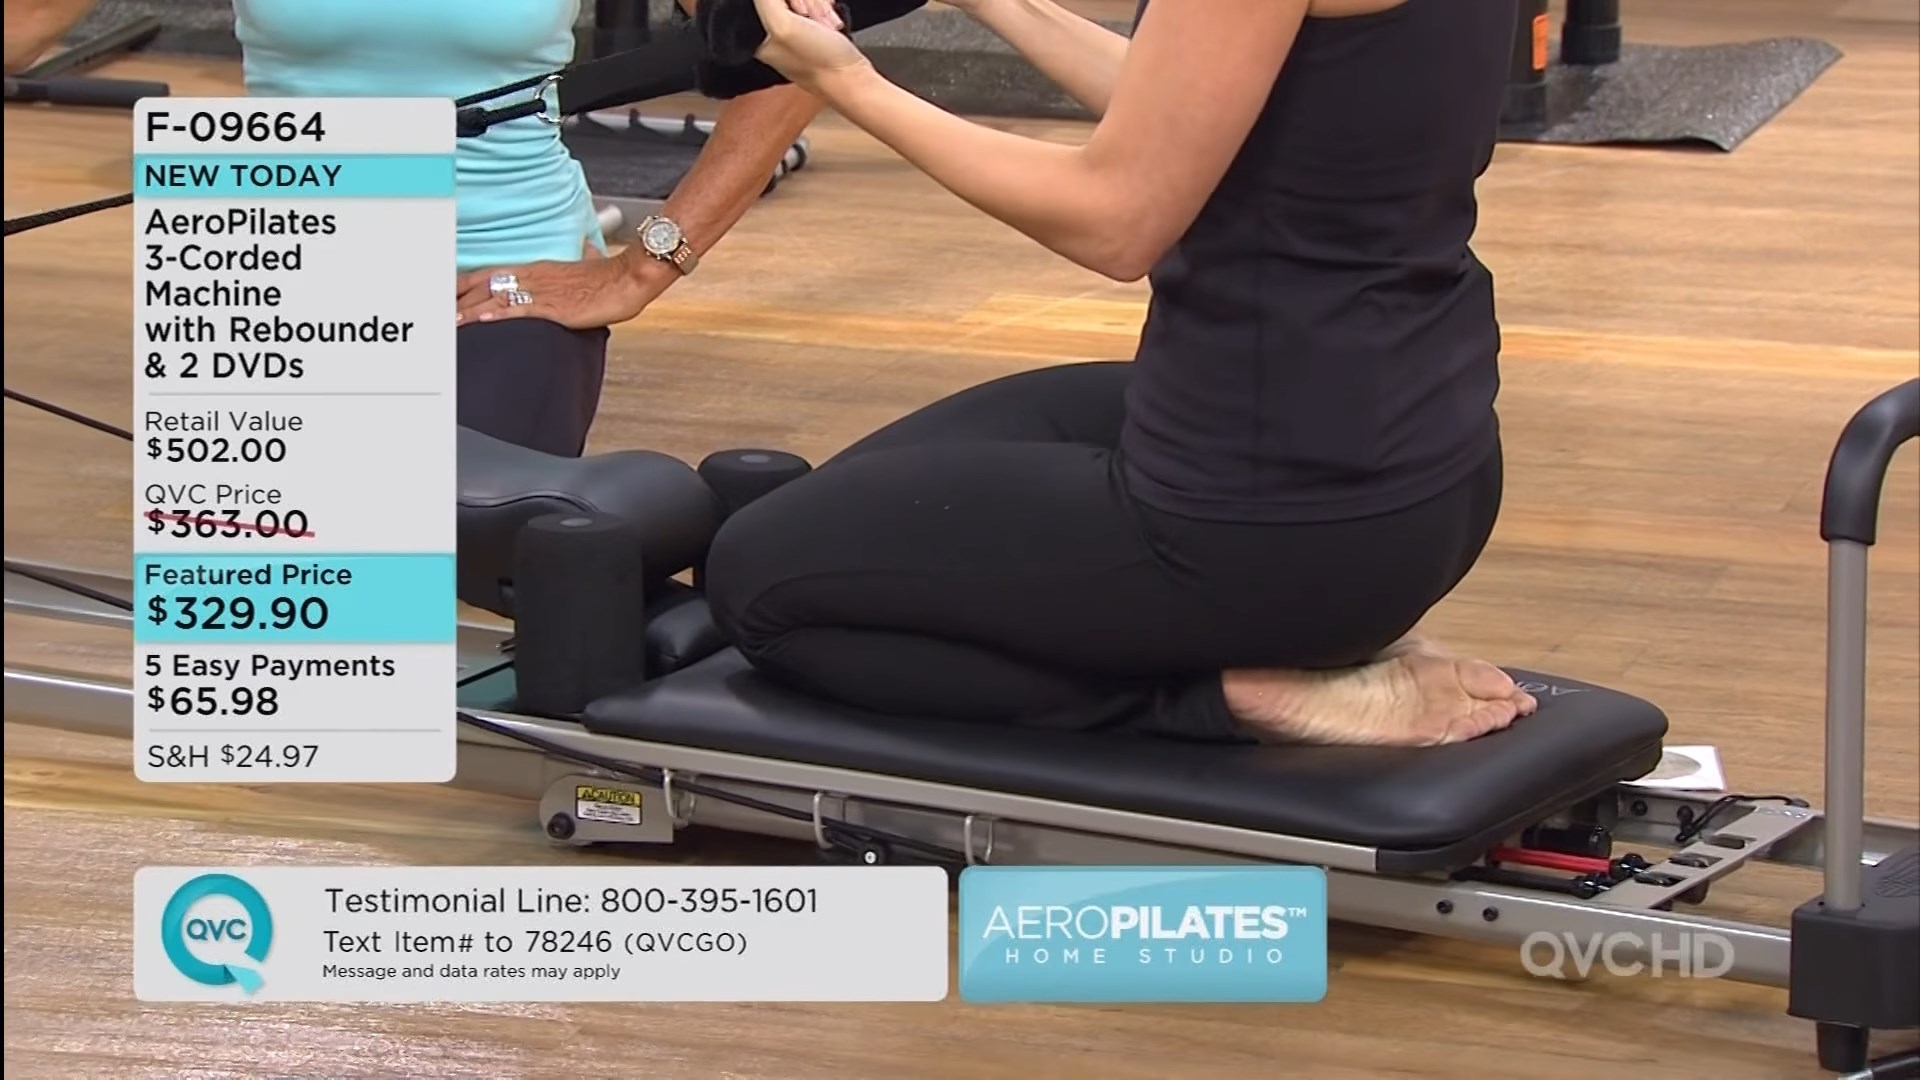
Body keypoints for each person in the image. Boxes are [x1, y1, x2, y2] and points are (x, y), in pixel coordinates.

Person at [701, 0, 1541, 748]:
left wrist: (844, 82)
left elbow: (1117, 222)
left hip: (1271, 530)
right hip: (1423, 479)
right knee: (841, 504)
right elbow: (1195, 108)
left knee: (760, 583)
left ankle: (1225, 698)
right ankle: (1320, 629)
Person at [4, 0, 828, 458]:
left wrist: (646, 264)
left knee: (456, 549)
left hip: (499, 267)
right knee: (298, 624)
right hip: (285, 257)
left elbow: (798, 54)